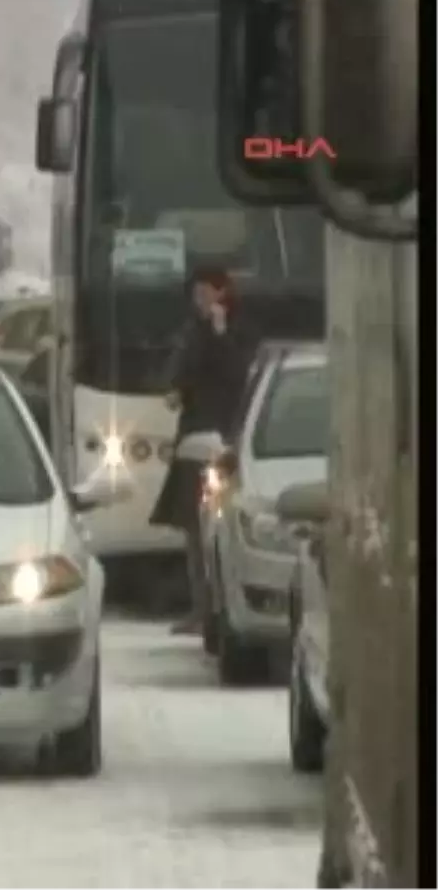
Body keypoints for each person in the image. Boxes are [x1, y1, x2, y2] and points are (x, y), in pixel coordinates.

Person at [150, 265, 257, 636]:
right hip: (194, 436)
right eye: (195, 294)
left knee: (222, 525)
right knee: (195, 530)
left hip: (225, 438)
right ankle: (200, 607)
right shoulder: (191, 331)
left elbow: (237, 372)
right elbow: (179, 365)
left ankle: (219, 606)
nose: (198, 300)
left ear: (220, 293)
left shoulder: (236, 328)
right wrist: (173, 386)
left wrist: (221, 331)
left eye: (204, 293)